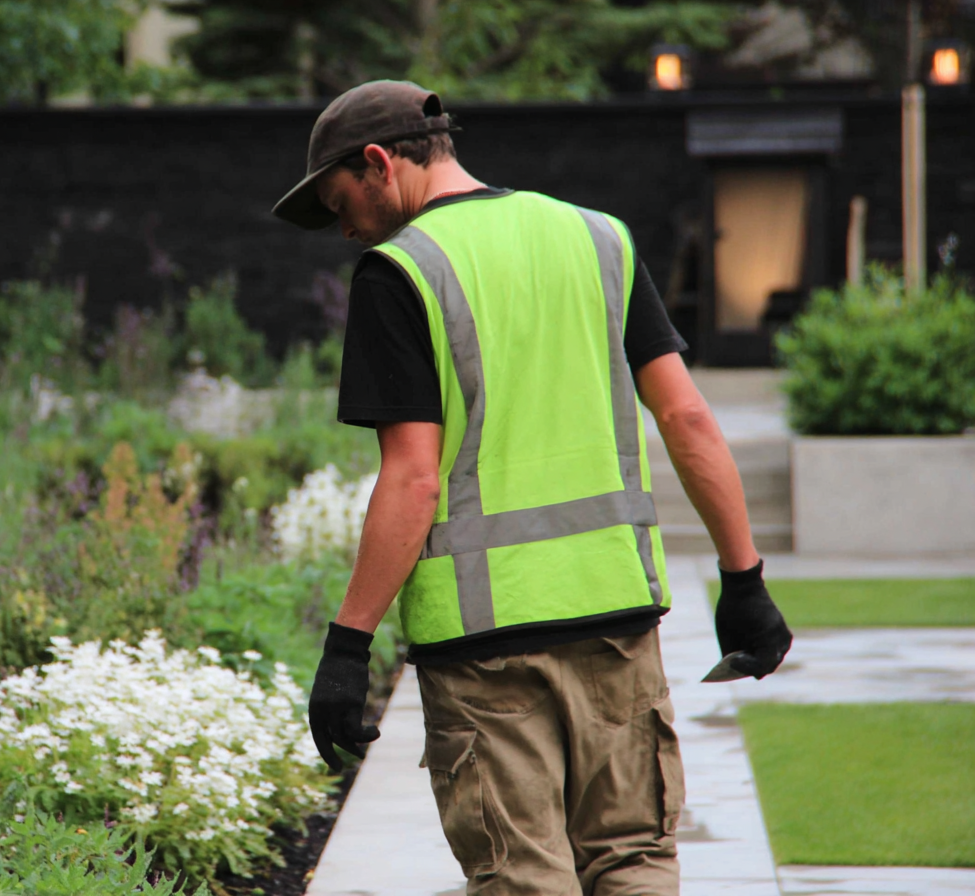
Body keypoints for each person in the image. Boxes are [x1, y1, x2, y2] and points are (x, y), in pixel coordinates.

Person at [271, 80, 793, 896]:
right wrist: (744, 579)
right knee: (635, 862)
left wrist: (348, 645)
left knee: (523, 878)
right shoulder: (599, 239)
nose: (344, 227)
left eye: (342, 202)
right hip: (616, 623)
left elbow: (412, 477)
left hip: (486, 652)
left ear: (380, 163)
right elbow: (686, 417)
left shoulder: (399, 271)